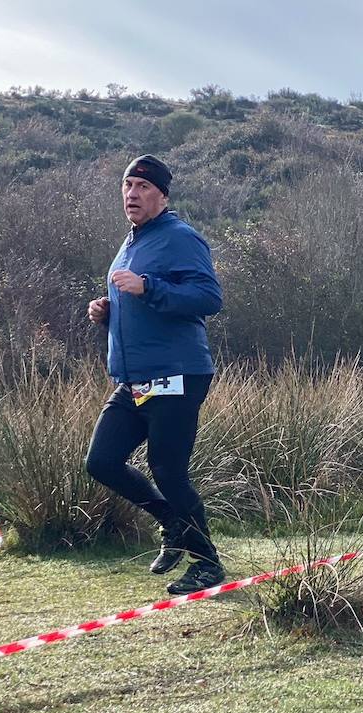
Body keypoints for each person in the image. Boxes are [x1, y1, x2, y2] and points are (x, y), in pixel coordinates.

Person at [84, 154, 226, 595]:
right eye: (128, 185)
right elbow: (138, 304)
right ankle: (172, 522)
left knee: (168, 470)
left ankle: (207, 564)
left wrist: (149, 288)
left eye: (143, 187)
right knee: (102, 462)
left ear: (162, 195)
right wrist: (107, 313)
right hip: (134, 377)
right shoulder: (131, 241)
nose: (132, 194)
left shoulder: (180, 237)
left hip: (178, 374)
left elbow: (208, 298)